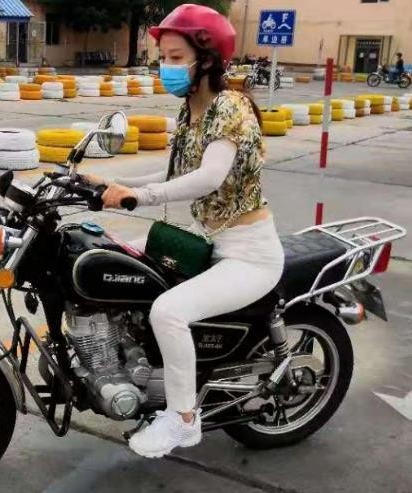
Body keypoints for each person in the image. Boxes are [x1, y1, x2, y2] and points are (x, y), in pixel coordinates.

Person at [83, 4, 285, 459]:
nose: (166, 67)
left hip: (248, 254)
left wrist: (139, 196)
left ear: (207, 60)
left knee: (168, 311)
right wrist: (109, 183)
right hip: (205, 239)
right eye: (163, 57)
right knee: (110, 256)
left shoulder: (230, 107)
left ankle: (182, 419)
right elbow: (174, 172)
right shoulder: (190, 111)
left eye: (175, 58)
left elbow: (208, 178)